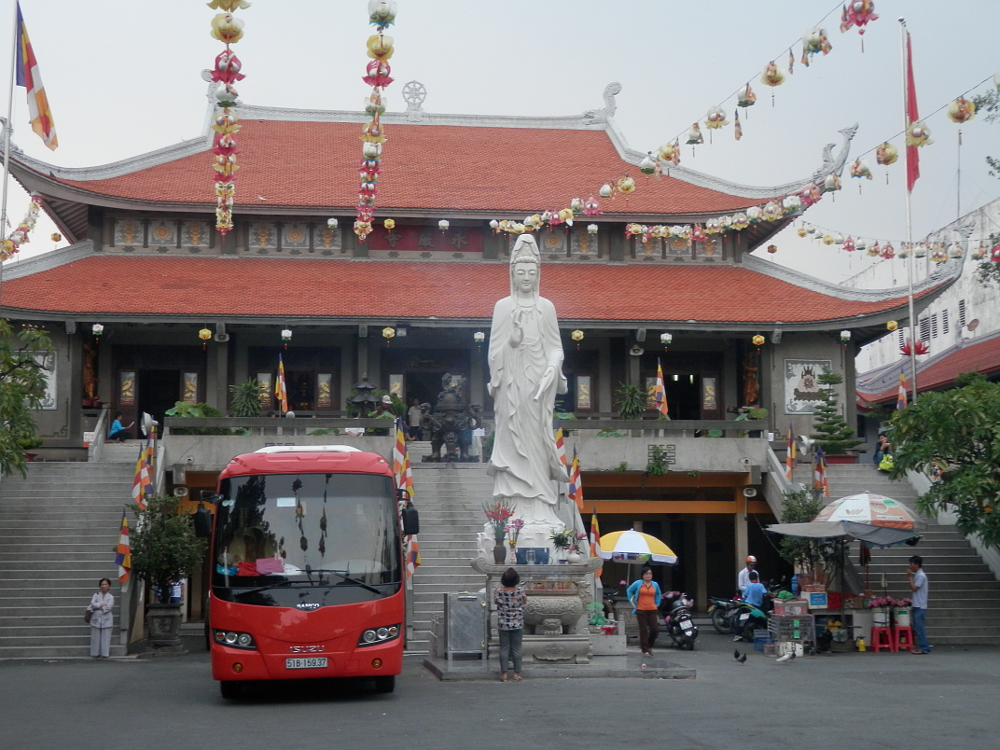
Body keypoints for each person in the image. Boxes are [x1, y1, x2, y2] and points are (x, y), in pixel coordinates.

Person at [487, 234, 568, 528]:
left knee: (537, 441)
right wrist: (513, 341)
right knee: (512, 438)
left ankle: (541, 507)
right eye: (520, 272)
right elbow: (493, 353)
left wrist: (553, 366)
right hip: (511, 387)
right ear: (512, 273)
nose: (526, 278)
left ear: (538, 274)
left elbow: (556, 346)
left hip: (539, 386)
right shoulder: (502, 307)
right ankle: (512, 509)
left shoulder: (546, 307)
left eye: (531, 273)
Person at [493, 567, 526, 682]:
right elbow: (524, 602)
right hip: (517, 623)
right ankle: (517, 674)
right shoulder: (520, 591)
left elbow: (496, 602)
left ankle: (504, 674)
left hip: (503, 623)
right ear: (516, 580)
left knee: (504, 648)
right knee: (517, 648)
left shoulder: (498, 592)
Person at [627, 567, 662, 657]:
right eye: (646, 574)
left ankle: (649, 645)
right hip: (641, 609)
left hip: (652, 609)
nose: (648, 575)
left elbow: (658, 594)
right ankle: (645, 650)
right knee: (643, 630)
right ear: (643, 575)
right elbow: (629, 590)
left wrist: (657, 603)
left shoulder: (655, 584)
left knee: (655, 629)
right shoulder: (638, 583)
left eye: (650, 573)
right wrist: (632, 601)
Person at [908, 555, 930, 654]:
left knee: (919, 627)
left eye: (911, 564)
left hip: (920, 605)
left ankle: (924, 647)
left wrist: (909, 577)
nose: (910, 566)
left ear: (916, 564)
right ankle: (924, 645)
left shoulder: (921, 575)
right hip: (917, 604)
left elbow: (914, 588)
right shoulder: (918, 574)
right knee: (917, 627)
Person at [87, 578, 114, 659]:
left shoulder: (111, 597)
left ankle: (105, 653)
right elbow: (92, 604)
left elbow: (108, 607)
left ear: (109, 586)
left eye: (106, 584)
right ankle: (95, 653)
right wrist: (101, 605)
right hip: (96, 617)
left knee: (106, 637)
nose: (104, 586)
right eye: (102, 584)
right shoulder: (96, 595)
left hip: (107, 618)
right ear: (99, 586)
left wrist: (98, 606)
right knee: (95, 637)